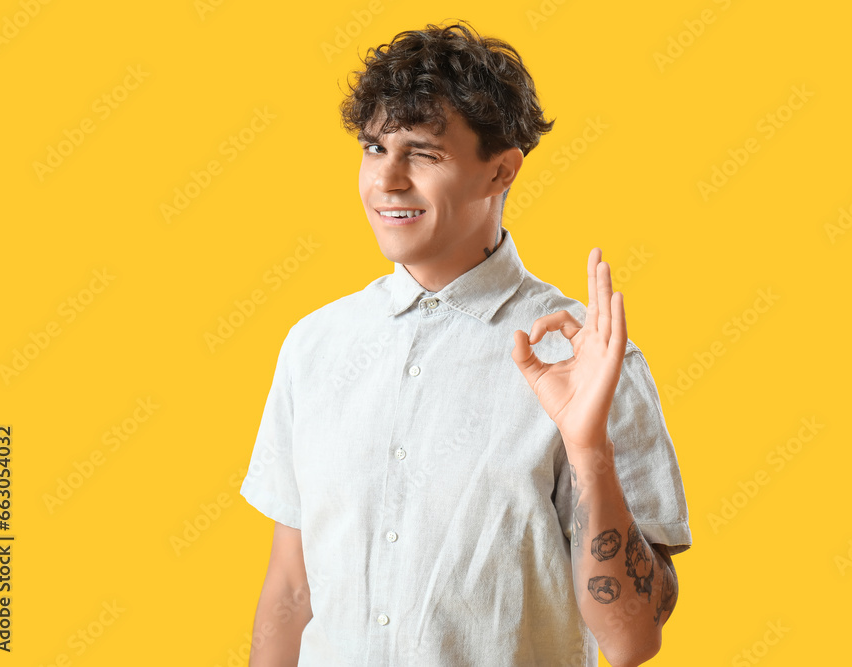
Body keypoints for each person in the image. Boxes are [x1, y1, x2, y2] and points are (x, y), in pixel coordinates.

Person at [240, 21, 692, 667]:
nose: (387, 180)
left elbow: (631, 638)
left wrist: (587, 445)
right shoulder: (315, 345)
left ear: (500, 170)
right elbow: (291, 584)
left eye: (422, 153)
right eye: (373, 147)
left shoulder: (585, 359)